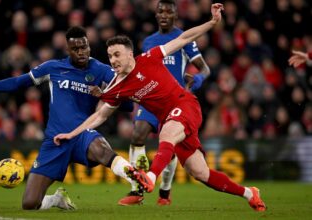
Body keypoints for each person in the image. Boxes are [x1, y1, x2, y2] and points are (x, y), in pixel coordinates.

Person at [54, 4, 267, 212]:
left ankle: (151, 178)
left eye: (117, 55)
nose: (113, 60)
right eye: (110, 56)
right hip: (170, 118)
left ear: (130, 54)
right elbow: (100, 115)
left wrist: (212, 22)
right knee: (200, 173)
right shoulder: (117, 86)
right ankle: (250, 193)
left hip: (185, 104)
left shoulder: (151, 56)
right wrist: (72, 134)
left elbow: (184, 38)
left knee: (166, 133)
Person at [0, 26, 136, 211]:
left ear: (89, 46)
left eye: (84, 47)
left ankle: (138, 182)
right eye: (76, 48)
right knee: (30, 204)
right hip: (55, 140)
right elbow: (18, 82)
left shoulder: (101, 70)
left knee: (102, 150)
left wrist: (104, 94)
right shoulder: (53, 68)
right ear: (68, 50)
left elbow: (127, 105)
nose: (81, 52)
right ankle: (57, 199)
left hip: (81, 134)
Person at [119, 0, 211, 206]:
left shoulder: (184, 38)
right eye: (160, 11)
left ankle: (165, 192)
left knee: (168, 147)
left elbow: (205, 68)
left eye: (169, 12)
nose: (164, 15)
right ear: (156, 14)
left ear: (175, 16)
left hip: (173, 101)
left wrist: (198, 79)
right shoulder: (148, 41)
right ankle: (137, 189)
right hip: (150, 99)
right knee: (137, 134)